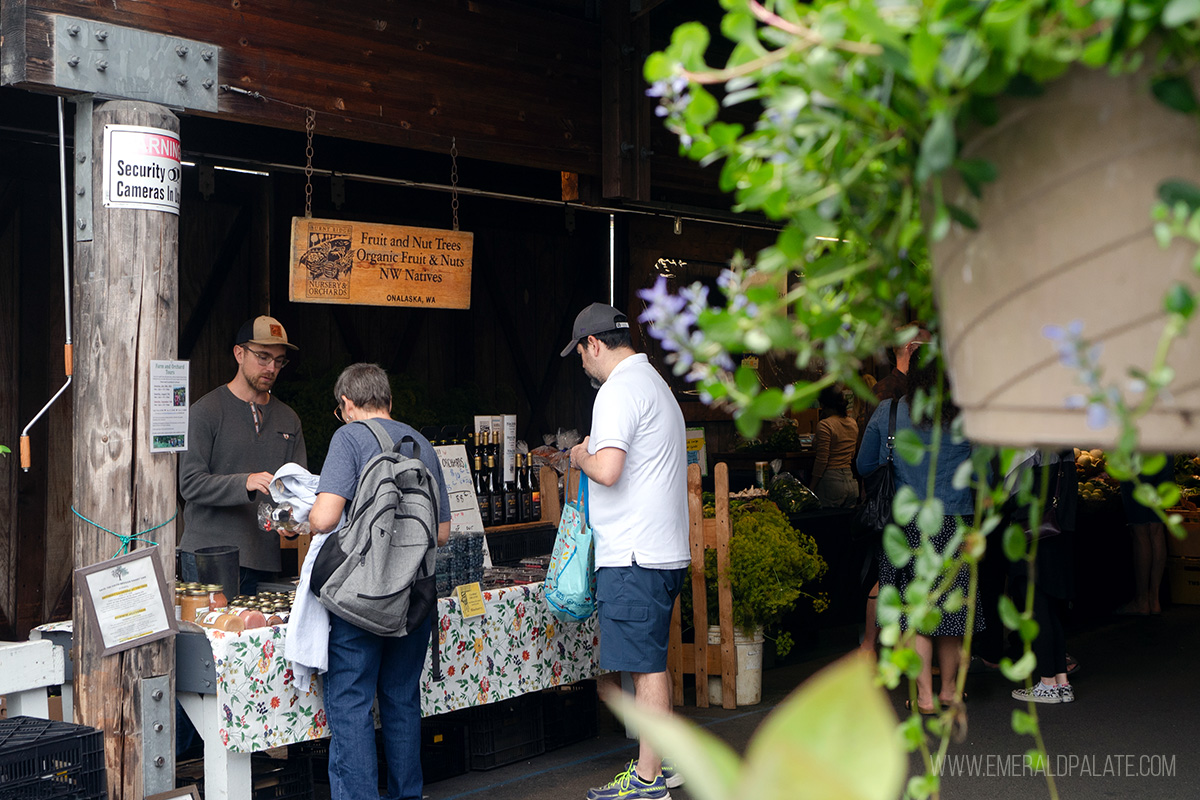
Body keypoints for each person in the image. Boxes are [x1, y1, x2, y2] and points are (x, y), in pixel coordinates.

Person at [307, 363, 451, 800]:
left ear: (348, 404)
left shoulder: (348, 437)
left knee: (351, 704)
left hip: (363, 596)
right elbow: (442, 532)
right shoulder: (421, 443)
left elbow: (325, 517)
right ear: (389, 400)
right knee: (402, 700)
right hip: (416, 595)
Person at [563, 303, 689, 800]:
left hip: (634, 554)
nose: (582, 364)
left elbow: (608, 470)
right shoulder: (655, 383)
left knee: (645, 666)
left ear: (594, 344)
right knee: (651, 658)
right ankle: (666, 762)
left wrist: (578, 455)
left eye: (580, 354)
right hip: (661, 550)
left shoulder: (616, 390)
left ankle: (647, 780)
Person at [857, 360, 980, 714]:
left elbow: (865, 466)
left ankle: (923, 696)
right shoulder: (965, 418)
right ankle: (949, 693)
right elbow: (984, 473)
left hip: (906, 524)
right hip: (954, 523)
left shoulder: (889, 411)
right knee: (950, 611)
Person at [179, 315, 306, 595]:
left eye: (279, 360)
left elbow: (298, 491)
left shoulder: (289, 419)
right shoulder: (206, 411)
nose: (271, 367)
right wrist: (244, 482)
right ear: (239, 353)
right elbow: (189, 483)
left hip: (265, 559)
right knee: (209, 638)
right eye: (263, 357)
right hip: (208, 555)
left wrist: (293, 523)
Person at [857, 328, 928, 655]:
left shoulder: (887, 389)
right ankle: (873, 647)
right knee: (885, 577)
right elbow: (868, 456)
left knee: (890, 575)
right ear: (913, 349)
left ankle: (886, 649)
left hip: (893, 499)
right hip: (894, 500)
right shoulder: (890, 393)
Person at [1006, 450, 1079, 705]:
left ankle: (1047, 683)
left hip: (1032, 532)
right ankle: (1062, 682)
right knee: (1052, 606)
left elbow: (1012, 489)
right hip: (1059, 530)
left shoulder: (1028, 442)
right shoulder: (1065, 444)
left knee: (1035, 606)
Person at [1117, 458, 1174, 615]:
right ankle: (1154, 600)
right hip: (1165, 455)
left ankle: (1142, 601)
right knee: (1156, 528)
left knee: (1140, 530)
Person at [809, 385, 858, 508]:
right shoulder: (852, 423)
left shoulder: (825, 425)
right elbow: (852, 454)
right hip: (851, 480)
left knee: (829, 524)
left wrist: (811, 488)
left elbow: (822, 460)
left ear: (823, 404)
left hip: (831, 483)